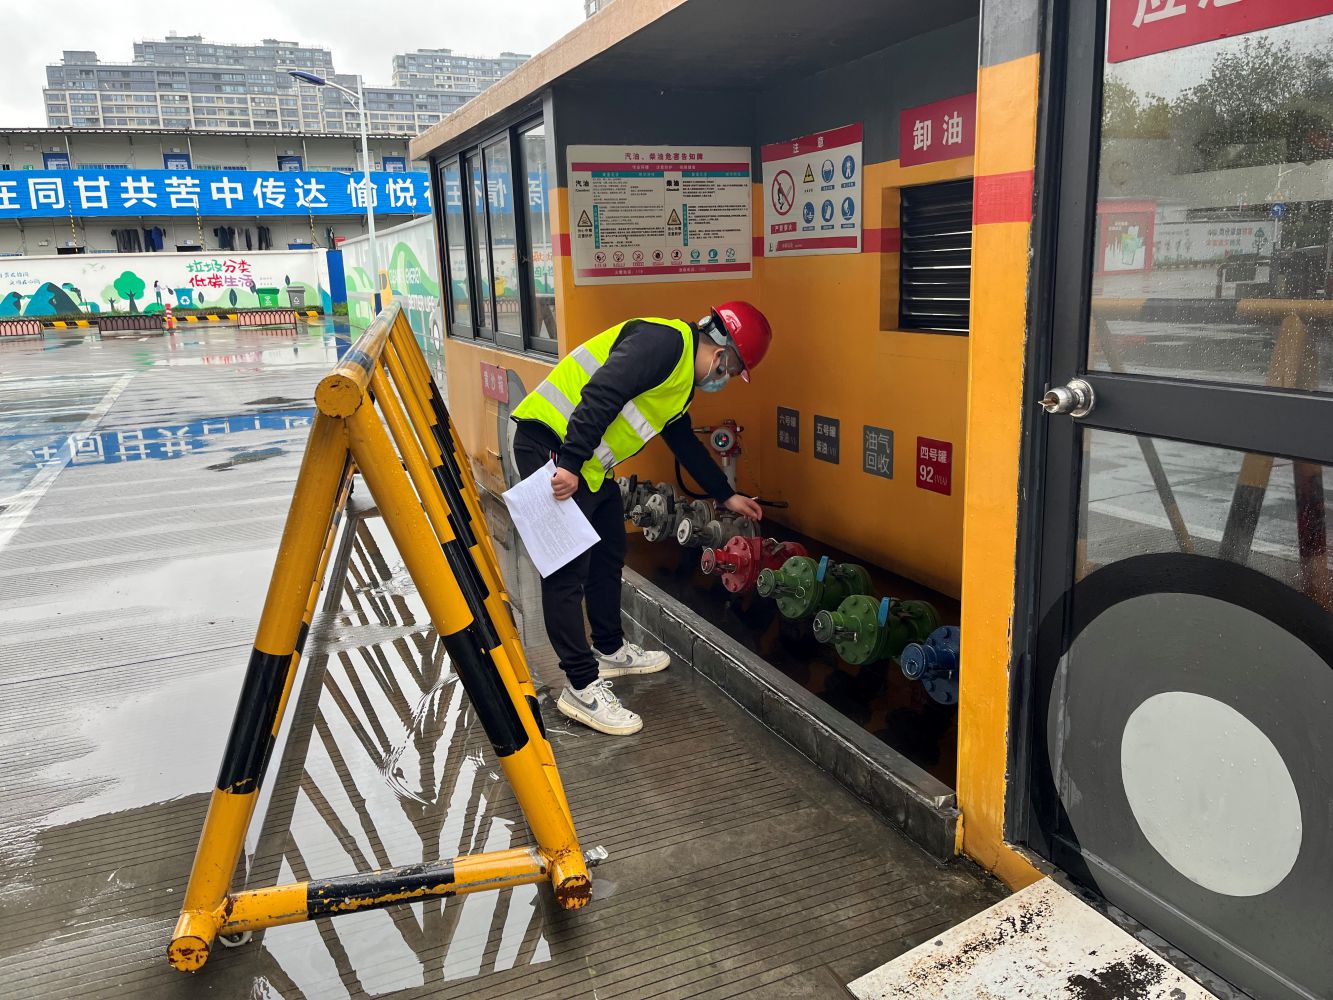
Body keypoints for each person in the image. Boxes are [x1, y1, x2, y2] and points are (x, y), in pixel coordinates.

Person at [510, 301, 773, 736]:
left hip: (584, 460)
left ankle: (609, 649)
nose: (724, 378)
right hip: (551, 447)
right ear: (721, 353)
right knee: (566, 570)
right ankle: (580, 687)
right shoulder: (664, 343)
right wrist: (570, 464)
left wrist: (726, 494)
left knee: (609, 548)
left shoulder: (680, 379)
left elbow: (681, 439)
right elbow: (602, 391)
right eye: (730, 369)